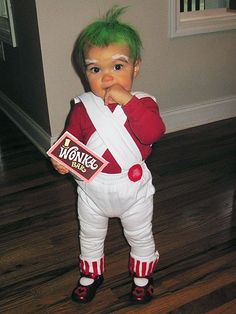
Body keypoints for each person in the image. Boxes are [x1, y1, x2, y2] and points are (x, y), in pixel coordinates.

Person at [51, 6, 166, 304]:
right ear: (85, 72)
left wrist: (127, 101)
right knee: (89, 236)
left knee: (140, 235)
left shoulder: (144, 104)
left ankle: (142, 276)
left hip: (133, 190)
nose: (106, 78)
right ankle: (90, 274)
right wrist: (62, 160)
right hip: (92, 190)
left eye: (117, 67)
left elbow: (153, 133)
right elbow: (71, 140)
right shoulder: (82, 107)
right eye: (95, 69)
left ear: (135, 68)